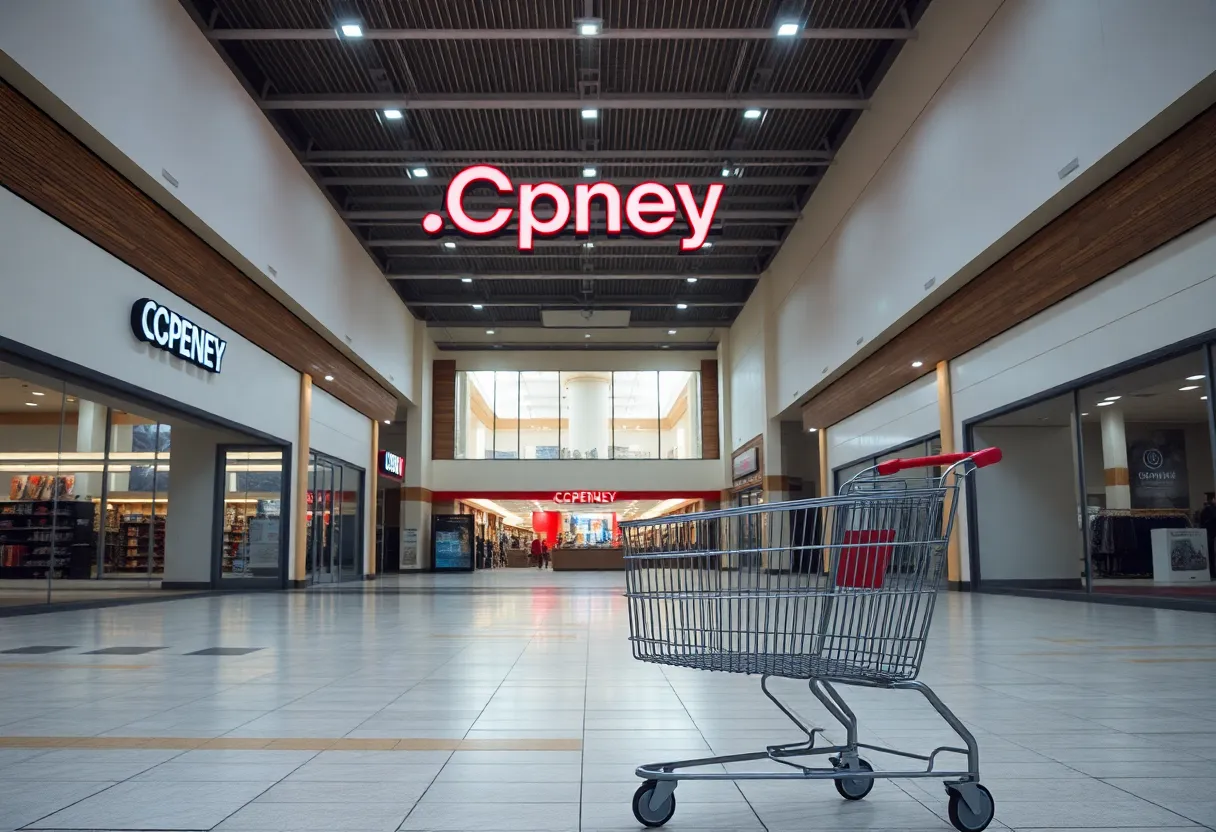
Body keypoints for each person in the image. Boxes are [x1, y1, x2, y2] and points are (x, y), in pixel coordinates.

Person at [1201, 492, 1216, 579]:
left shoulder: (1207, 510)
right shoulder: (1210, 509)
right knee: (1211, 554)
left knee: (1210, 554)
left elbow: (1202, 522)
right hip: (1211, 534)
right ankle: (1212, 572)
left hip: (1209, 534)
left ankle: (1212, 572)